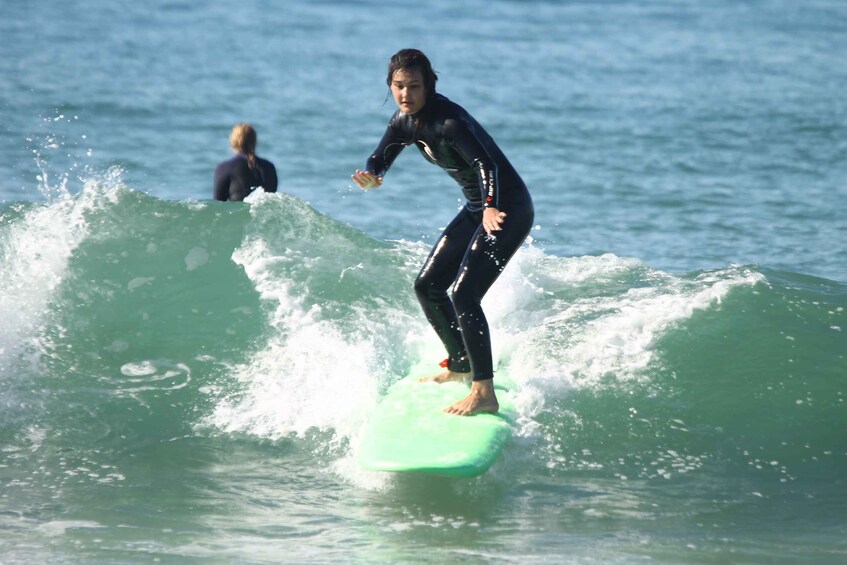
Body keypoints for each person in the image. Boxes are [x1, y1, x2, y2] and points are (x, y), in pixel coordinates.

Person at [352, 49, 534, 416]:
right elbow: (380, 156)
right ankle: (460, 363)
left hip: (506, 209)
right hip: (476, 208)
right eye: (399, 86)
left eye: (414, 86)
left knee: (465, 294)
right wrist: (373, 175)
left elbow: (486, 163)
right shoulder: (404, 121)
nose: (406, 94)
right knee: (428, 286)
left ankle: (484, 391)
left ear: (429, 86)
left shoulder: (448, 122)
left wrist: (491, 206)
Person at [213, 123, 278, 201]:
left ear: (233, 142)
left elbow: (218, 203)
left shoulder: (224, 168)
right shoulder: (269, 167)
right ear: (255, 142)